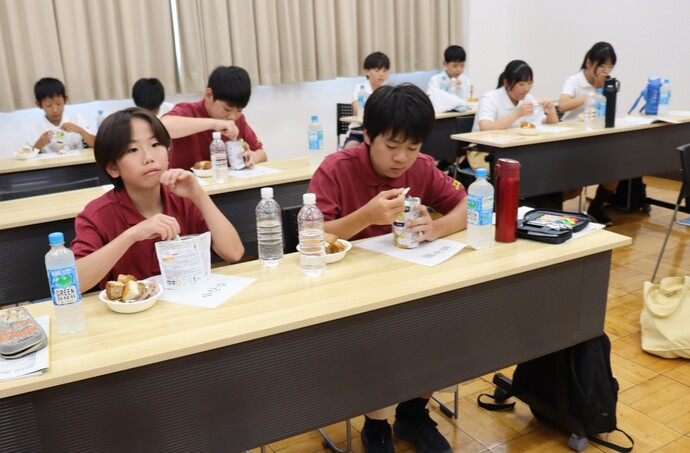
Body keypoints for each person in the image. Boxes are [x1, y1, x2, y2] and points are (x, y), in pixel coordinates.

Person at [309, 83, 466, 453]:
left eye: (413, 147)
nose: (402, 158)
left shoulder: (422, 168)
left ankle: (413, 413)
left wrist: (436, 228)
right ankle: (376, 425)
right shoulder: (336, 168)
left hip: (409, 280)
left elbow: (466, 206)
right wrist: (365, 216)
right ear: (367, 135)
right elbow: (311, 236)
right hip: (351, 291)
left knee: (449, 317)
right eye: (392, 146)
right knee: (379, 334)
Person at [71, 107, 244, 291]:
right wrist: (132, 235)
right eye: (133, 149)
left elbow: (234, 253)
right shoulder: (97, 215)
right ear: (113, 168)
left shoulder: (184, 198)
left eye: (155, 145)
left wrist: (199, 195)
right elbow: (73, 283)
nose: (149, 158)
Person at [161, 66, 266, 170]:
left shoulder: (238, 120)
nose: (232, 117)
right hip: (184, 179)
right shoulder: (188, 111)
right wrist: (214, 124)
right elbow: (163, 127)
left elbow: (262, 153)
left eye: (239, 110)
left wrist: (254, 157)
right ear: (209, 95)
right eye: (227, 109)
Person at [558, 42, 619, 225]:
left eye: (610, 66)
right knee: (574, 189)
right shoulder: (574, 81)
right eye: (602, 66)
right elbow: (562, 105)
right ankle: (550, 206)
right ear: (589, 63)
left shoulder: (608, 84)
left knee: (614, 174)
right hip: (572, 139)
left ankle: (596, 207)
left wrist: (604, 90)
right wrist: (591, 95)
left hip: (597, 137)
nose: (606, 71)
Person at [472, 59, 558, 132]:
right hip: (483, 146)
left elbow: (545, 123)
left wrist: (551, 113)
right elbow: (485, 127)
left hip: (515, 143)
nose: (526, 89)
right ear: (506, 83)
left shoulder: (528, 98)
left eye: (529, 83)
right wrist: (517, 114)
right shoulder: (490, 98)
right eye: (521, 84)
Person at [28, 77, 95, 153]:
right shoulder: (36, 128)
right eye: (48, 105)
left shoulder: (76, 119)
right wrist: (38, 145)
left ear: (65, 100)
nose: (55, 110)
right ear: (38, 104)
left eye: (58, 103)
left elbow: (95, 144)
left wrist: (81, 131)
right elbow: (26, 154)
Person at [343, 51, 391, 149]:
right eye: (377, 70)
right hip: (358, 131)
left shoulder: (390, 90)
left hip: (382, 133)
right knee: (350, 149)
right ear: (366, 71)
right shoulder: (360, 88)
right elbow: (357, 109)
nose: (381, 74)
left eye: (385, 71)